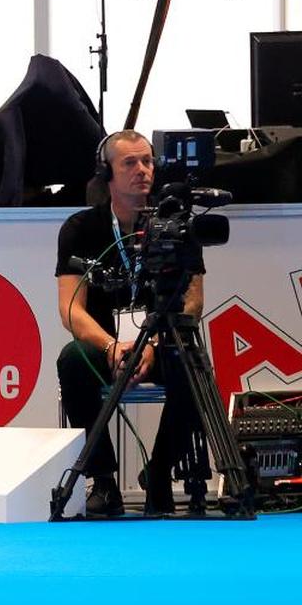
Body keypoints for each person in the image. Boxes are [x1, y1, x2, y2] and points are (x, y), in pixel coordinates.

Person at [54, 130, 209, 517]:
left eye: (147, 161)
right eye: (130, 163)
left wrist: (152, 346)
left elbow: (193, 299)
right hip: (105, 346)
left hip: (162, 337)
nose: (142, 170)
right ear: (106, 172)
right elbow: (70, 308)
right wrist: (111, 345)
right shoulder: (81, 228)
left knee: (193, 361)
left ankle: (158, 472)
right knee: (72, 359)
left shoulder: (179, 223)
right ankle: (103, 481)